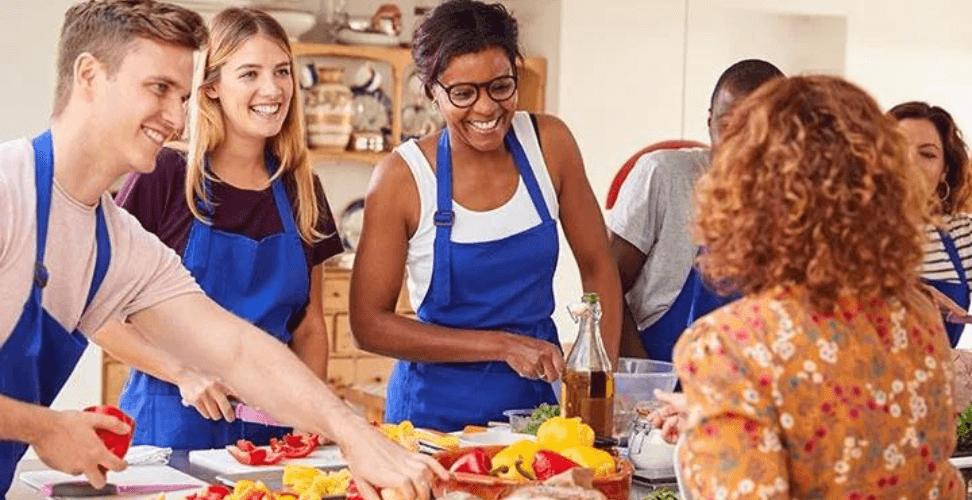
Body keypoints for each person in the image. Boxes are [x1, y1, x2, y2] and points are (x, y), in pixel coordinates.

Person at [0, 1, 445, 497]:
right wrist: (43, 427)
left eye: (183, 94)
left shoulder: (116, 244)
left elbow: (237, 351)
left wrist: (350, 433)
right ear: (89, 75)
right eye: (159, 89)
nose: (176, 117)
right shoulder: (6, 193)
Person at [673, 75, 963, 499]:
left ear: (746, 193)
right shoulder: (919, 322)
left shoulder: (730, 348)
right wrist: (723, 416)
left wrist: (717, 419)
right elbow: (937, 482)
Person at [348, 0, 622, 432]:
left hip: (538, 412)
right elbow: (370, 325)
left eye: (500, 86)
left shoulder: (550, 144)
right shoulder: (402, 179)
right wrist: (501, 346)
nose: (486, 109)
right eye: (462, 93)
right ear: (431, 90)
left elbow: (598, 265)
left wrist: (597, 384)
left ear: (516, 70)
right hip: (433, 421)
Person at [92, 7, 343, 450]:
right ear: (210, 88)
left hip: (273, 430)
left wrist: (314, 415)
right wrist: (182, 372)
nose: (273, 89)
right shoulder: (163, 175)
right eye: (250, 74)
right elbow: (97, 311)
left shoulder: (303, 188)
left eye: (282, 71)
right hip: (170, 427)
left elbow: (309, 327)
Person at [608, 59, 782, 361]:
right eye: (727, 126)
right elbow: (605, 285)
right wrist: (650, 384)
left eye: (757, 128)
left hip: (745, 388)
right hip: (657, 377)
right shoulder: (664, 176)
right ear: (710, 122)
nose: (739, 143)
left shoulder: (796, 204)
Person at [888, 102, 972, 347]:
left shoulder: (963, 236)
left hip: (939, 385)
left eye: (927, 154)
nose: (910, 163)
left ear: (944, 170)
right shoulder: (845, 230)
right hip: (854, 383)